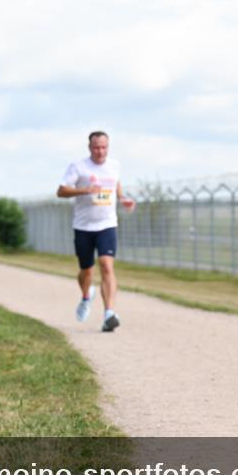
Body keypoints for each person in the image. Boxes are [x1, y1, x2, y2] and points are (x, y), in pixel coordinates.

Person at [57, 131, 135, 332]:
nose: (100, 151)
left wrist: (123, 199)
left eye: (104, 147)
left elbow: (115, 186)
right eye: (96, 147)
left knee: (106, 265)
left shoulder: (114, 165)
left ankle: (109, 313)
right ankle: (86, 296)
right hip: (83, 226)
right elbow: (61, 191)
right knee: (86, 271)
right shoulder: (79, 167)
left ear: (108, 147)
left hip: (107, 224)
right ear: (89, 147)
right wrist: (84, 190)